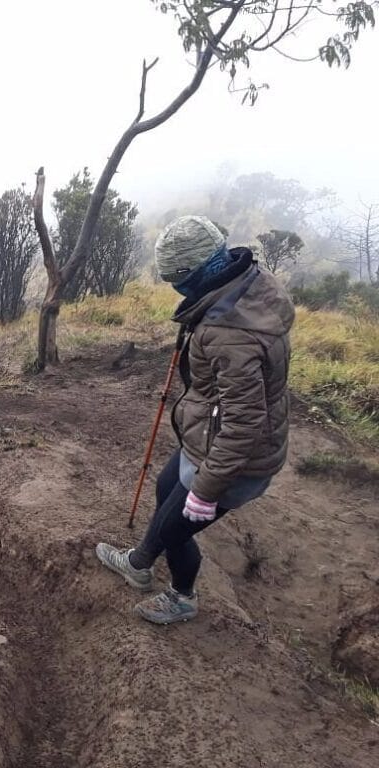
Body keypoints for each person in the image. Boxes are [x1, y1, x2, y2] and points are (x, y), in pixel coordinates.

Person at [96, 215, 295, 624]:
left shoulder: (230, 334)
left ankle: (182, 598)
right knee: (167, 488)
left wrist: (206, 492)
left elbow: (243, 425)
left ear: (195, 274)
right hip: (208, 438)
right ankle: (139, 563)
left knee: (175, 529)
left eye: (176, 280)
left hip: (236, 461)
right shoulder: (241, 285)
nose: (175, 289)